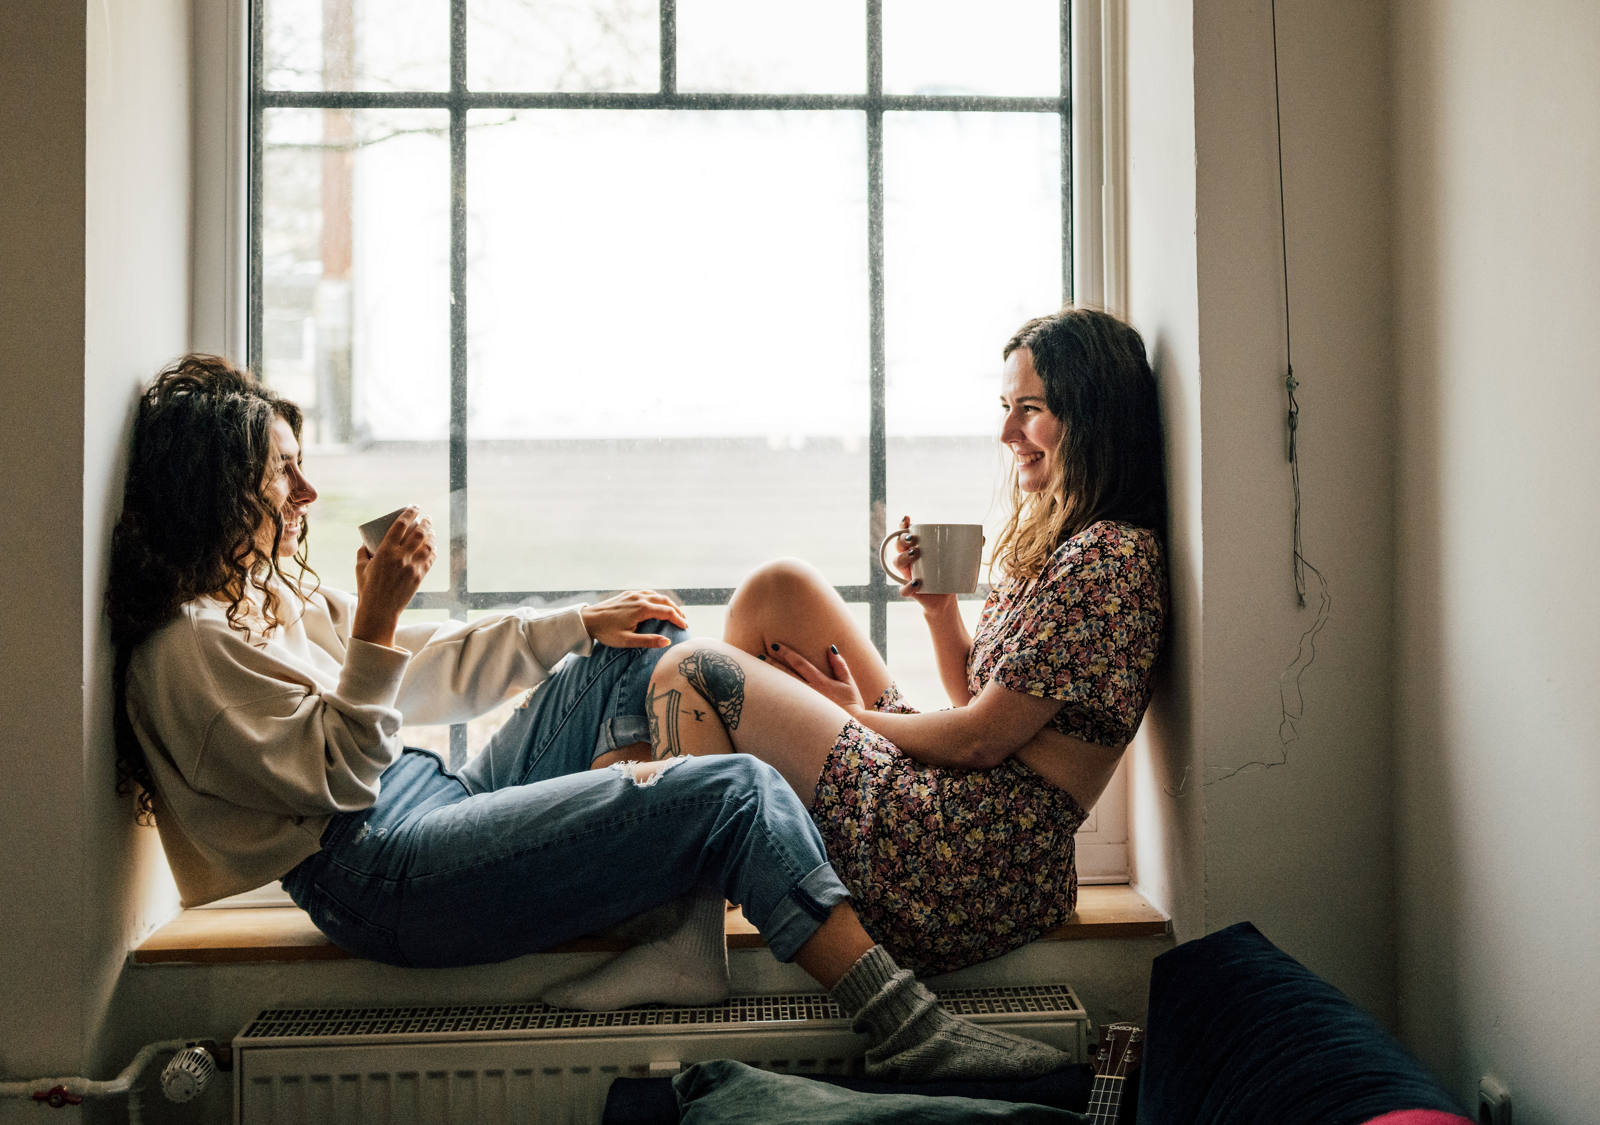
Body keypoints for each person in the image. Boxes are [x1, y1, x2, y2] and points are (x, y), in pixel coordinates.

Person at [106, 354, 1071, 1082]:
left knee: (634, 644)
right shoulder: (187, 653)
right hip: (376, 870)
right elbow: (344, 777)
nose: (308, 495)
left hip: (433, 800)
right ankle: (913, 1028)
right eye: (283, 474)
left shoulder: (260, 598)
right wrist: (377, 622)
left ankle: (683, 932)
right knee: (732, 789)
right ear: (217, 488)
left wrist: (580, 619)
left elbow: (416, 681)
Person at [644, 307, 1168, 975]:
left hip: (970, 857)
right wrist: (940, 611)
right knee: (779, 590)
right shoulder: (1066, 538)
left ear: (1091, 415)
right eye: (1007, 408)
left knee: (690, 669)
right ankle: (741, 858)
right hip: (963, 802)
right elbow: (981, 697)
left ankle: (686, 945)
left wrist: (850, 717)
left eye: (1029, 410)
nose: (1007, 432)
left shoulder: (1109, 558)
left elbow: (983, 736)